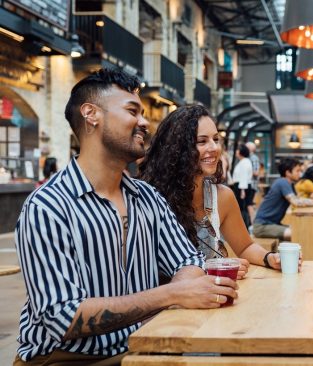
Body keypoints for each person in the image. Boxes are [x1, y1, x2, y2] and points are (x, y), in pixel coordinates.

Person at [14, 69, 237, 365]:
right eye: (132, 111)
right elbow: (62, 317)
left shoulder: (147, 197)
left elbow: (188, 261)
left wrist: (182, 286)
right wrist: (172, 294)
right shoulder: (47, 206)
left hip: (141, 349)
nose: (144, 122)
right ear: (91, 114)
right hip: (66, 359)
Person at [139, 105, 288, 277]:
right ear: (177, 149)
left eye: (216, 139)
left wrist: (270, 258)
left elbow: (245, 246)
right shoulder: (151, 197)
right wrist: (213, 267)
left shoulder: (222, 196)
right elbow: (149, 268)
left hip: (213, 299)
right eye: (202, 141)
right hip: (170, 302)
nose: (214, 148)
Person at [252, 158, 313, 240]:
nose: (300, 174)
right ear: (288, 173)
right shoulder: (282, 182)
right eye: (297, 171)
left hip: (272, 224)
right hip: (262, 226)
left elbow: (298, 199)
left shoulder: (290, 185)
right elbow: (296, 202)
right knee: (298, 233)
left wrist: (312, 201)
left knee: (300, 230)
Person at [231, 144, 253, 228]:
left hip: (242, 187)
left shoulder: (245, 162)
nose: (236, 151)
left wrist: (242, 190)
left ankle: (244, 226)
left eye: (238, 150)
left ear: (241, 152)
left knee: (242, 207)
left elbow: (244, 176)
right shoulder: (243, 161)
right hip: (241, 186)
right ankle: (244, 225)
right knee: (243, 207)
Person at [245, 141, 260, 221]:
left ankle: (253, 223)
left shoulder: (253, 158)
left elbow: (256, 172)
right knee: (249, 204)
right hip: (249, 185)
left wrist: (246, 170)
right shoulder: (248, 158)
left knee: (249, 204)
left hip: (252, 185)